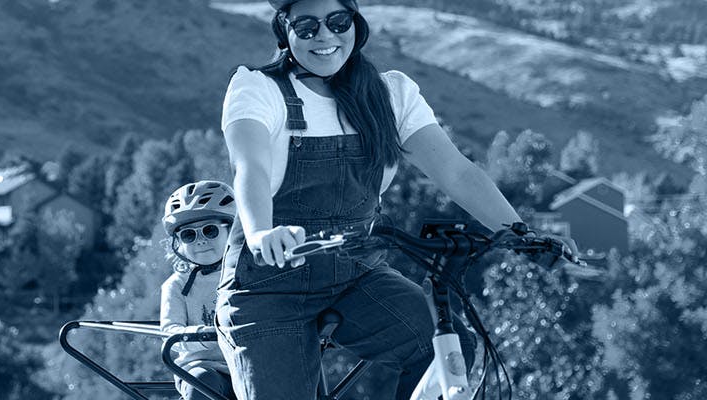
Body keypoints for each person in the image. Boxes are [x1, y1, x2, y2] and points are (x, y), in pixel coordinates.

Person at [215, 0, 575, 398]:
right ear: (285, 29)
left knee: (448, 350)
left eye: (338, 21)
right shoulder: (258, 88)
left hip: (357, 276)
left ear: (356, 24)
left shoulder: (390, 94)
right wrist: (261, 232)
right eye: (307, 27)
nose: (325, 36)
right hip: (268, 287)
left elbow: (457, 172)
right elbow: (251, 169)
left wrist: (523, 237)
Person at [159, 181, 239, 400]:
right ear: (178, 243)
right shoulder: (176, 286)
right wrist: (203, 335)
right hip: (204, 367)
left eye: (210, 230)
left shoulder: (249, 276)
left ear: (231, 231)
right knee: (202, 383)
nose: (201, 240)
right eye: (189, 235)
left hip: (250, 364)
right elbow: (170, 331)